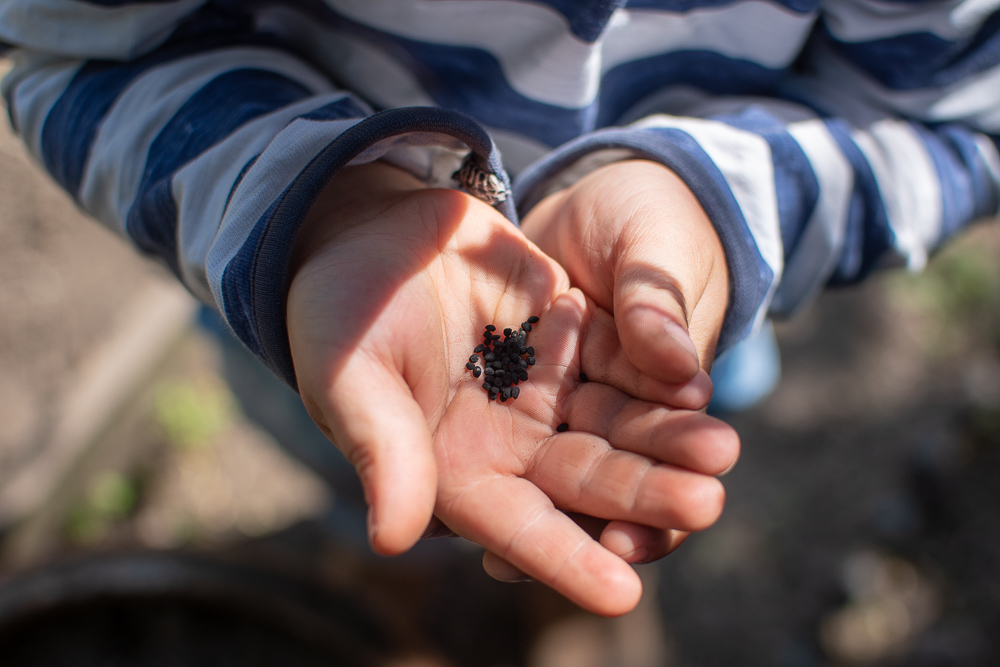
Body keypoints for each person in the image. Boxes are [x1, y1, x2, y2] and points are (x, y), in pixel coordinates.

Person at [1, 0, 996, 617]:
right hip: (313, 298)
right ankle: (404, 574)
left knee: (646, 449)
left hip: (660, 309)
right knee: (372, 465)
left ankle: (539, 615)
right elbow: (80, 49)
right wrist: (326, 205)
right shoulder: (467, 340)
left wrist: (714, 198)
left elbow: (958, 122)